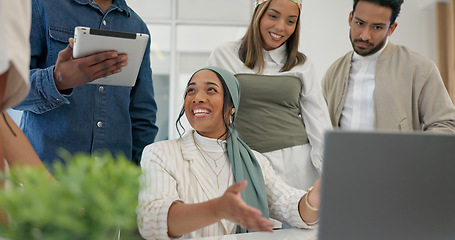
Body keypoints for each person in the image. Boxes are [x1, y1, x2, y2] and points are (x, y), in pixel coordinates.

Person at [137, 66, 321, 239]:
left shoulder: (255, 161)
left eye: (211, 90)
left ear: (232, 105)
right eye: (190, 91)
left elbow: (286, 203)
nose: (197, 98)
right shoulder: (159, 154)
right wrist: (217, 209)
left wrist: (313, 199)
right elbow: (151, 220)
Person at [13, 0, 159, 165]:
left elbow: (142, 114)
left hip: (113, 181)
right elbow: (9, 90)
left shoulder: (137, 26)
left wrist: (140, 174)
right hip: (45, 177)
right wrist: (56, 80)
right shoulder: (40, 7)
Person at [207, 0, 332, 191]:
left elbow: (318, 120)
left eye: (291, 21)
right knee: (253, 220)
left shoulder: (302, 64)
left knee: (296, 220)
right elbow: (212, 114)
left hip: (298, 165)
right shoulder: (224, 55)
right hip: (248, 161)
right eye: (273, 16)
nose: (280, 27)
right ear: (258, 14)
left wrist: (330, 174)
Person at [322, 0, 455, 133]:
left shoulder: (420, 69)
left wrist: (410, 152)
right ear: (350, 18)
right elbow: (318, 127)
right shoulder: (333, 72)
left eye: (377, 27)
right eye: (360, 23)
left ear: (391, 28)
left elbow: (446, 126)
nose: (365, 36)